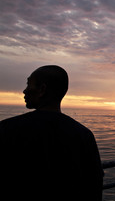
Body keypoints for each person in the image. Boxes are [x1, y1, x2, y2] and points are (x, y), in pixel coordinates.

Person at [0, 65, 104, 201]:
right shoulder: (83, 134)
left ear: (42, 90)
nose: (24, 90)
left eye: (28, 84)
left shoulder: (7, 129)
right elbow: (94, 184)